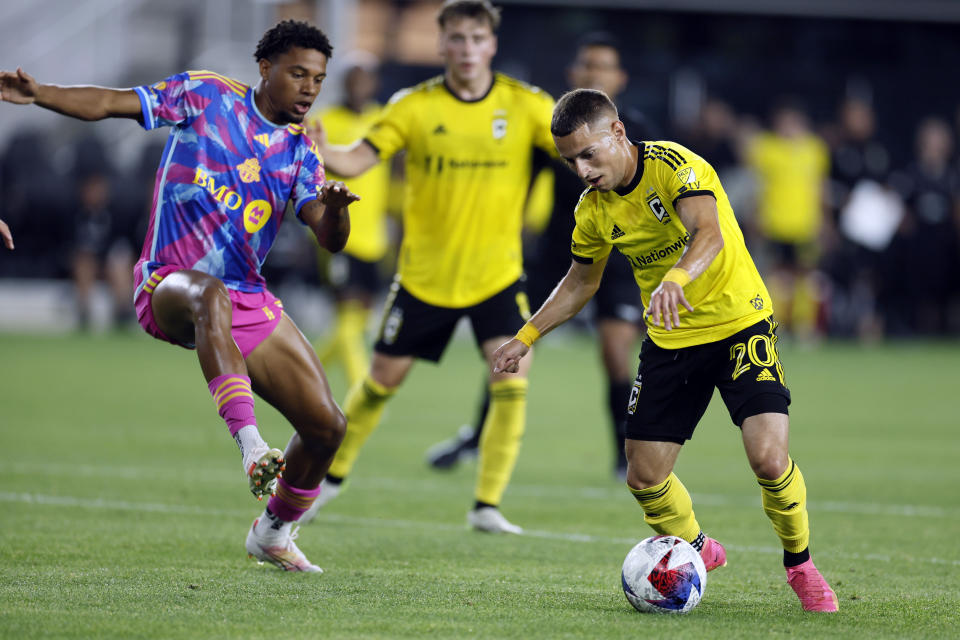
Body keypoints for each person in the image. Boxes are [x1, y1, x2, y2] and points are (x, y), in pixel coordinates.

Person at [0, 20, 359, 573]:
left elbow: (330, 240)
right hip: (166, 283)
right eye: (298, 74)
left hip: (246, 298)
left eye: (318, 78)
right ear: (265, 69)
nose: (310, 88)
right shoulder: (206, 95)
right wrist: (39, 93)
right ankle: (251, 447)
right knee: (209, 294)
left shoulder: (300, 153)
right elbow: (110, 103)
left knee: (327, 426)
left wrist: (335, 209)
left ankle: (272, 532)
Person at [493, 88, 838, 612]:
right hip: (671, 341)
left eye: (588, 154)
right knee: (644, 475)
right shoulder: (592, 210)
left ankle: (801, 565)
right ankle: (700, 548)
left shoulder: (675, 165)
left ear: (617, 131)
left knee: (769, 459)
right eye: (570, 161)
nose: (582, 170)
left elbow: (709, 232)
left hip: (739, 324)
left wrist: (676, 278)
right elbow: (580, 283)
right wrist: (525, 337)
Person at [302, 0, 556, 534]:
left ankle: (487, 505)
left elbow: (572, 148)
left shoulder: (527, 105)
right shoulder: (413, 106)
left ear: (492, 44)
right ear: (441, 45)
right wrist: (323, 150)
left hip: (496, 276)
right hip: (425, 278)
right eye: (457, 39)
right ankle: (330, 479)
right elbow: (357, 159)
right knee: (379, 383)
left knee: (512, 379)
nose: (467, 50)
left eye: (477, 39)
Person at [426, 31, 652, 480]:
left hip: (621, 255)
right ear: (574, 74)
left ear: (620, 77)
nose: (594, 74)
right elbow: (523, 180)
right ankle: (479, 437)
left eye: (603, 67)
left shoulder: (639, 130)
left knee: (613, 350)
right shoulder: (556, 130)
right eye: (587, 66)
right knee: (514, 343)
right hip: (559, 253)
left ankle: (621, 453)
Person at [307, 51, 392, 387]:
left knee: (358, 319)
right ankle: (362, 386)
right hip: (339, 233)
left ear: (374, 83)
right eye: (353, 78)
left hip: (375, 236)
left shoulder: (383, 120)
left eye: (365, 78)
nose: (359, 85)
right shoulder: (323, 122)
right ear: (343, 83)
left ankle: (305, 370)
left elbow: (395, 172)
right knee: (346, 313)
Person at [744, 99, 830, 340]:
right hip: (775, 223)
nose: (788, 128)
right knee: (778, 276)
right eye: (784, 123)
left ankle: (805, 326)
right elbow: (756, 186)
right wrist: (755, 215)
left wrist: (824, 221)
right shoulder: (766, 149)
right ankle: (776, 324)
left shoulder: (815, 149)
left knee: (807, 275)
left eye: (793, 123)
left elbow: (820, 187)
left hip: (805, 224)